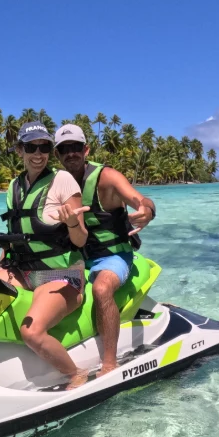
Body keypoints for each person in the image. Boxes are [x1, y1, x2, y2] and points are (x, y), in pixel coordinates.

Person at [0, 121, 91, 389]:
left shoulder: (62, 180)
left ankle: (76, 373)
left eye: (45, 147)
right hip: (23, 270)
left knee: (31, 332)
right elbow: (14, 234)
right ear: (19, 150)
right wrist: (3, 266)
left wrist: (71, 223)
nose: (38, 154)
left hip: (61, 275)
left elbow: (80, 238)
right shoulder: (14, 186)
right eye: (31, 147)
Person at [53, 123, 156, 376]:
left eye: (75, 147)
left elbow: (139, 199)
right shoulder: (56, 183)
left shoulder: (106, 178)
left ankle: (110, 362)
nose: (71, 153)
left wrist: (147, 211)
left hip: (112, 256)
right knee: (39, 281)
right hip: (78, 257)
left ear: (85, 149)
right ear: (57, 155)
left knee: (101, 289)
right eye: (64, 149)